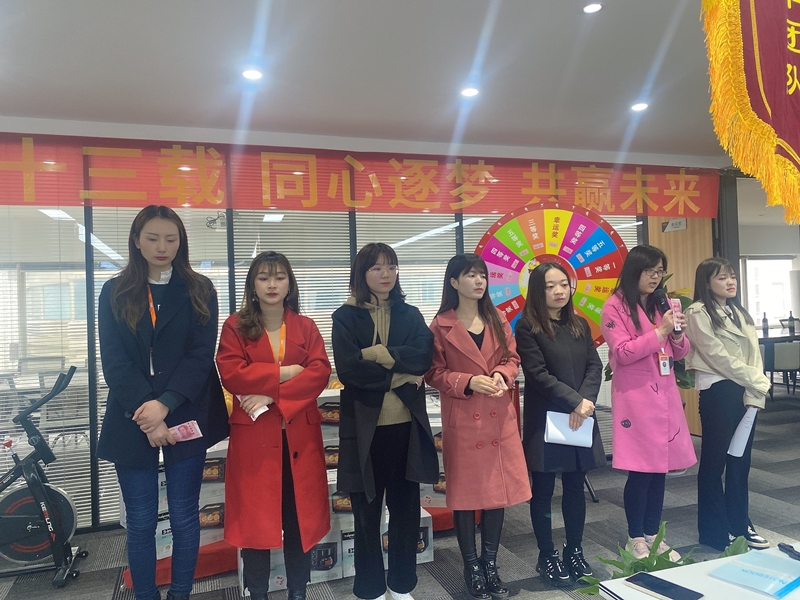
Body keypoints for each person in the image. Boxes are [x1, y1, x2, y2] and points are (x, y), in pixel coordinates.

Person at [97, 205, 230, 600]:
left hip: (185, 409)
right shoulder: (115, 291)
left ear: (180, 242)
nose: (162, 246)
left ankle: (180, 594)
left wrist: (166, 404)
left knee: (185, 517)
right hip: (132, 415)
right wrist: (149, 411)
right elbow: (114, 360)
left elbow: (201, 355)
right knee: (140, 521)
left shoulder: (200, 289)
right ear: (136, 241)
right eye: (153, 238)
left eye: (171, 239)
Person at [216, 252, 332, 600]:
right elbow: (232, 374)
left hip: (299, 438)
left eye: (279, 277)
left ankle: (298, 590)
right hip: (255, 439)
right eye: (264, 277)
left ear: (289, 284)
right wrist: (286, 372)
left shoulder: (305, 326)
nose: (272, 284)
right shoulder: (235, 326)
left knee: (299, 519)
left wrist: (270, 395)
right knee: (256, 521)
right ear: (252, 285)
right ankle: (258, 592)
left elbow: (319, 373)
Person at [331, 243, 439, 600]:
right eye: (376, 268)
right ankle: (371, 587)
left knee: (406, 511)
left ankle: (401, 585)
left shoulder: (410, 314)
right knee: (366, 514)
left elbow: (423, 356)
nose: (385, 274)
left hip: (406, 427)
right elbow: (350, 371)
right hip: (365, 430)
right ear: (362, 274)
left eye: (391, 267)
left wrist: (382, 355)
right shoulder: (345, 317)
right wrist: (400, 374)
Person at [426, 253, 529, 600]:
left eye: (482, 275)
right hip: (465, 419)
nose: (479, 281)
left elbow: (512, 358)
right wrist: (468, 381)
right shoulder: (441, 325)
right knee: (466, 496)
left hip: (499, 417)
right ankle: (471, 567)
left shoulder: (498, 318)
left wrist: (501, 374)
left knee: (497, 494)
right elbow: (433, 372)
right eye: (470, 275)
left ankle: (491, 563)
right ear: (454, 282)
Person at [599, 245, 696, 561]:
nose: (655, 277)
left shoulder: (660, 304)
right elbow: (623, 352)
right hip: (636, 398)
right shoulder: (614, 307)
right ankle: (635, 537)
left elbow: (679, 352)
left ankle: (653, 535)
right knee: (641, 471)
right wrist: (661, 331)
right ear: (634, 271)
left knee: (659, 470)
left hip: (664, 394)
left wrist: (676, 334)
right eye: (650, 271)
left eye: (659, 272)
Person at [515, 262, 605, 586]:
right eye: (550, 286)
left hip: (579, 417)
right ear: (537, 291)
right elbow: (537, 374)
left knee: (575, 487)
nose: (558, 291)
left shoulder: (579, 324)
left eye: (564, 285)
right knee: (543, 490)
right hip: (547, 419)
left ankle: (574, 550)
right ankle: (546, 554)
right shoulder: (527, 326)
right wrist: (574, 402)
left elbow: (595, 366)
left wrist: (585, 402)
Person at [684, 257, 771, 551]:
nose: (730, 282)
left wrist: (756, 386)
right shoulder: (697, 312)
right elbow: (717, 356)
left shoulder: (739, 312)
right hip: (719, 390)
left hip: (747, 389)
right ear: (707, 283)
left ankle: (740, 524)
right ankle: (714, 531)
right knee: (714, 463)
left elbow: (754, 354)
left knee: (740, 461)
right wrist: (757, 380)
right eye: (722, 278)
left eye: (732, 276)